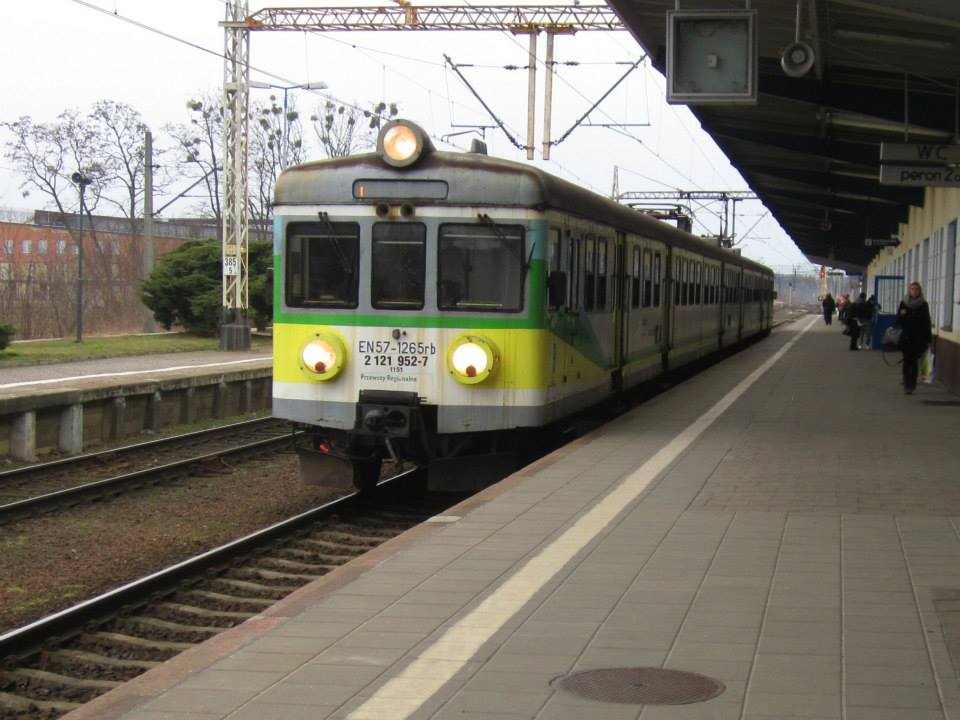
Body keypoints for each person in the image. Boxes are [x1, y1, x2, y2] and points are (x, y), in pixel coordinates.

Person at [897, 282, 933, 394]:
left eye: (916, 289)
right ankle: (907, 383)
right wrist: (902, 315)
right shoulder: (904, 303)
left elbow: (927, 322)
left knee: (914, 362)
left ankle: (912, 384)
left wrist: (929, 339)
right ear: (909, 290)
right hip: (906, 337)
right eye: (912, 289)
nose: (914, 291)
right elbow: (898, 320)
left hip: (918, 338)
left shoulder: (923, 304)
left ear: (920, 291)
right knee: (907, 360)